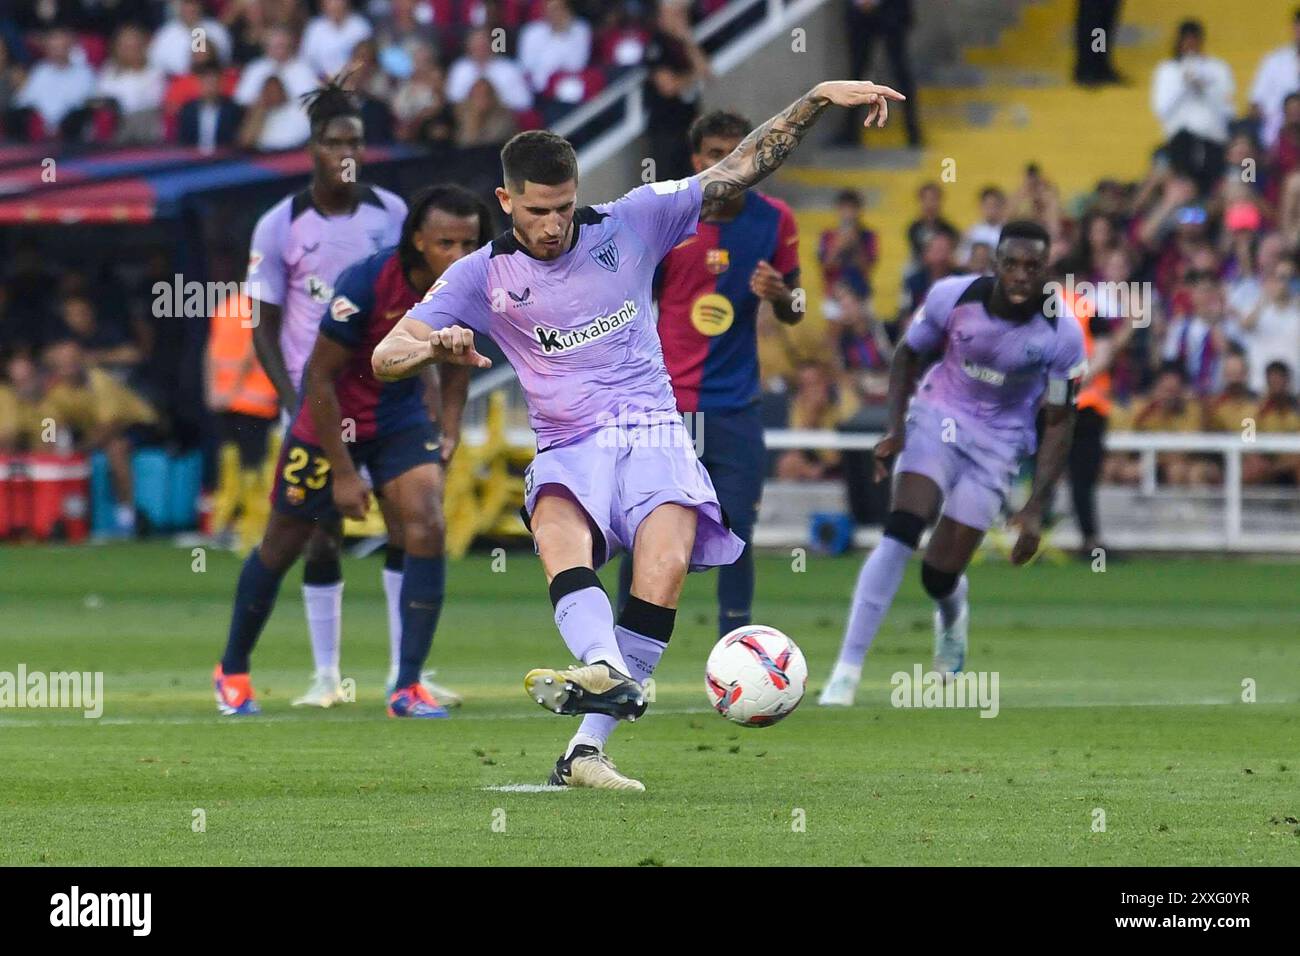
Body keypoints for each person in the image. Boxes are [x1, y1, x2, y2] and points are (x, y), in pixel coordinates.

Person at [374, 79, 905, 790]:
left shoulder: (632, 220)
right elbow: (386, 355)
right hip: (568, 442)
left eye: (563, 207)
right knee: (562, 536)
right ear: (506, 202)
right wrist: (433, 348)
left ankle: (585, 750)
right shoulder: (480, 273)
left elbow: (739, 168)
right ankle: (606, 667)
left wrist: (815, 98)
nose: (554, 225)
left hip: (656, 433)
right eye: (537, 212)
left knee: (665, 570)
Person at [214, 185, 491, 718]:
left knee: (427, 526)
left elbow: (460, 360)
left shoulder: (470, 286)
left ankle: (406, 685)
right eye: (445, 244)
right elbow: (319, 375)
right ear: (416, 241)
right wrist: (342, 473)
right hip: (328, 417)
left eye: (469, 243)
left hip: (397, 416)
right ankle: (232, 669)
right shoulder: (366, 283)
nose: (458, 256)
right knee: (283, 544)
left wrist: (450, 428)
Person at [819, 221, 1087, 705]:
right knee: (902, 528)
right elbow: (907, 356)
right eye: (1012, 264)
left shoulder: (1062, 334)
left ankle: (952, 611)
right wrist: (895, 428)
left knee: (938, 573)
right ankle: (846, 671)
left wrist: (1034, 508)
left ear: (1047, 269)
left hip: (999, 445)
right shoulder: (951, 296)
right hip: (937, 417)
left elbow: (1060, 422)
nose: (1022, 275)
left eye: (1033, 266)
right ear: (995, 264)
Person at [243, 78, 415, 709]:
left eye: (357, 141)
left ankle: (406, 673)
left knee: (408, 525)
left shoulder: (393, 215)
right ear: (312, 148)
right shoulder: (279, 224)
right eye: (334, 140)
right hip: (316, 402)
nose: (347, 151)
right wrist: (293, 400)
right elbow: (260, 324)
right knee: (319, 532)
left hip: (387, 398)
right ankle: (326, 676)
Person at [616, 110, 802, 639]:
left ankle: (736, 650)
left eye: (734, 150)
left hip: (735, 406)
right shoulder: (669, 219)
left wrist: (784, 297)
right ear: (696, 160)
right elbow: (628, 302)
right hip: (668, 406)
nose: (724, 162)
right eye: (712, 153)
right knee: (647, 530)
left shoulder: (775, 220)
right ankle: (617, 652)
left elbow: (798, 307)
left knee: (737, 528)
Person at [1150, 20, 1234, 196]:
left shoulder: (1218, 68)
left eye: (1194, 40)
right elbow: (1161, 110)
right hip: (1179, 141)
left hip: (1213, 139)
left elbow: (1229, 110)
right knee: (1183, 187)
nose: (1190, 45)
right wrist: (1184, 84)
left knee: (1209, 188)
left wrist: (1204, 87)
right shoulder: (1166, 70)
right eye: (1186, 40)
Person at [837, 0, 920, 147]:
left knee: (901, 72)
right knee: (856, 73)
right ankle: (850, 132)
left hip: (893, 10)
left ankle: (913, 132)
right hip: (859, 15)